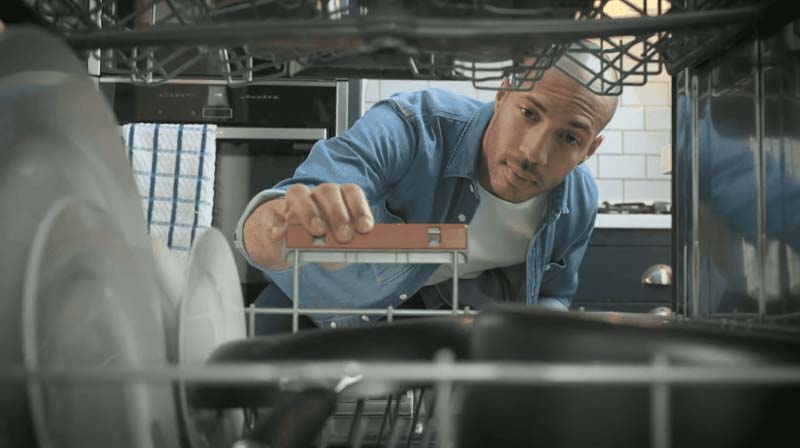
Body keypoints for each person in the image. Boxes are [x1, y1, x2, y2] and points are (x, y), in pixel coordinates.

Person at [234, 51, 619, 333]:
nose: (533, 153)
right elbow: (271, 227)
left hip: (437, 327)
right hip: (312, 313)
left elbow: (553, 293)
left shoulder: (578, 201)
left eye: (569, 137)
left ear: (590, 149)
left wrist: (544, 346)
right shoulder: (413, 125)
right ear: (503, 96)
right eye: (529, 114)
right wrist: (280, 225)